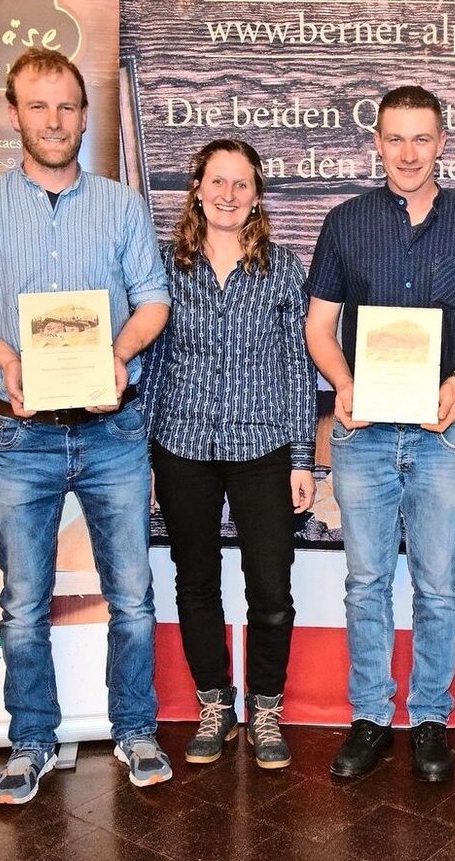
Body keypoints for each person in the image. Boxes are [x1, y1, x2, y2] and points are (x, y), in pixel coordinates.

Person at [0, 47, 172, 804]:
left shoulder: (122, 205)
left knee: (131, 593)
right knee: (23, 601)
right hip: (19, 432)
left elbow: (153, 301)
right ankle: (31, 740)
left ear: (83, 116)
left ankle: (135, 729)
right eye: (39, 105)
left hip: (112, 432)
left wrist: (119, 353)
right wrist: (8, 357)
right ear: (14, 115)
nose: (55, 119)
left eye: (67, 105)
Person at [303, 85, 455, 782]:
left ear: (442, 142)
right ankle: (369, 716)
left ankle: (429, 718)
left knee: (436, 585)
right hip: (362, 436)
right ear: (376, 142)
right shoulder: (345, 223)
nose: (407, 152)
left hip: (442, 433)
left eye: (421, 138)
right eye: (395, 138)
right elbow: (319, 328)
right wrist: (344, 383)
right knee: (365, 581)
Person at [139, 139, 316, 770]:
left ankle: (265, 707)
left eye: (242, 184)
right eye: (217, 181)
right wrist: (145, 457)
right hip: (181, 446)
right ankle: (215, 703)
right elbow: (149, 363)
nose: (228, 194)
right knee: (196, 582)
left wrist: (303, 458)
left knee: (271, 589)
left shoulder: (284, 269)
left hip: (263, 448)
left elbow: (299, 371)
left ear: (257, 195)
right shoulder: (162, 268)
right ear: (196, 188)